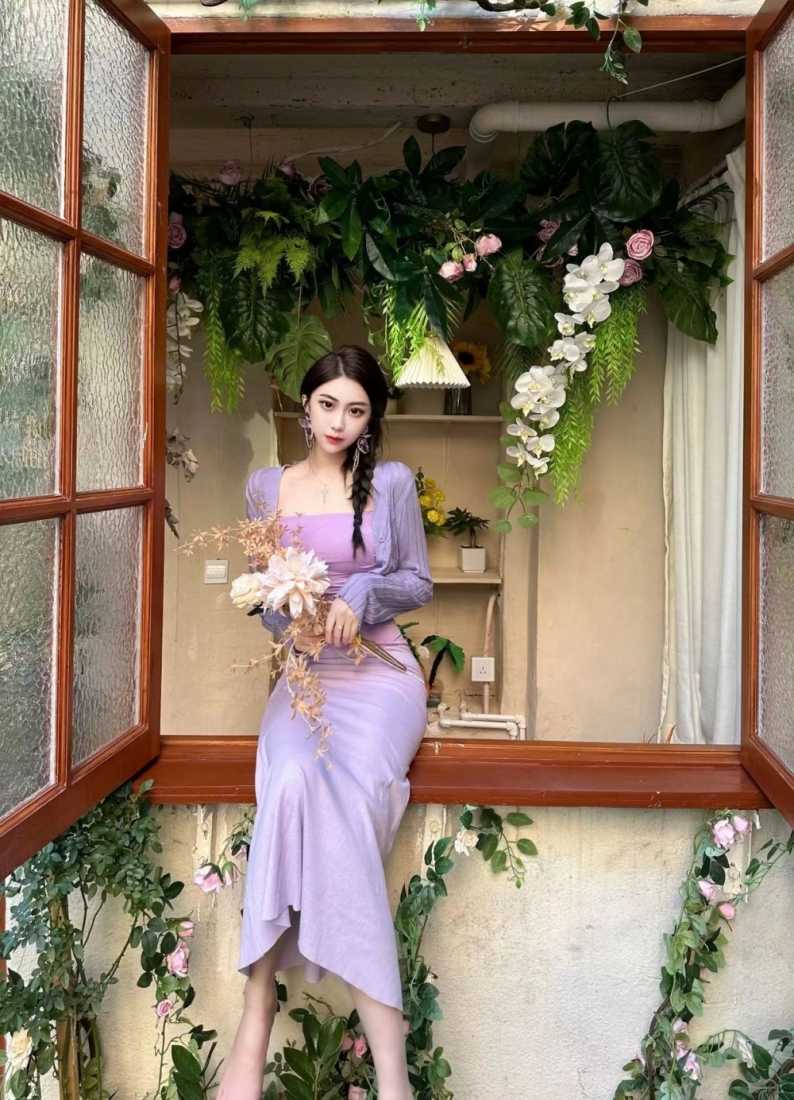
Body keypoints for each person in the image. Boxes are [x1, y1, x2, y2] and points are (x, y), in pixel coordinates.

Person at [218, 346, 433, 1100]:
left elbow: (418, 581)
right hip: (307, 677)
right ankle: (259, 1006)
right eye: (328, 404)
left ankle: (389, 1072)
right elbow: (260, 600)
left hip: (380, 675)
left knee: (344, 793)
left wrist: (363, 594)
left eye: (357, 410)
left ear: (371, 421)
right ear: (304, 406)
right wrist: (290, 616)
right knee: (288, 778)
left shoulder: (392, 482)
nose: (340, 422)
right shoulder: (265, 486)